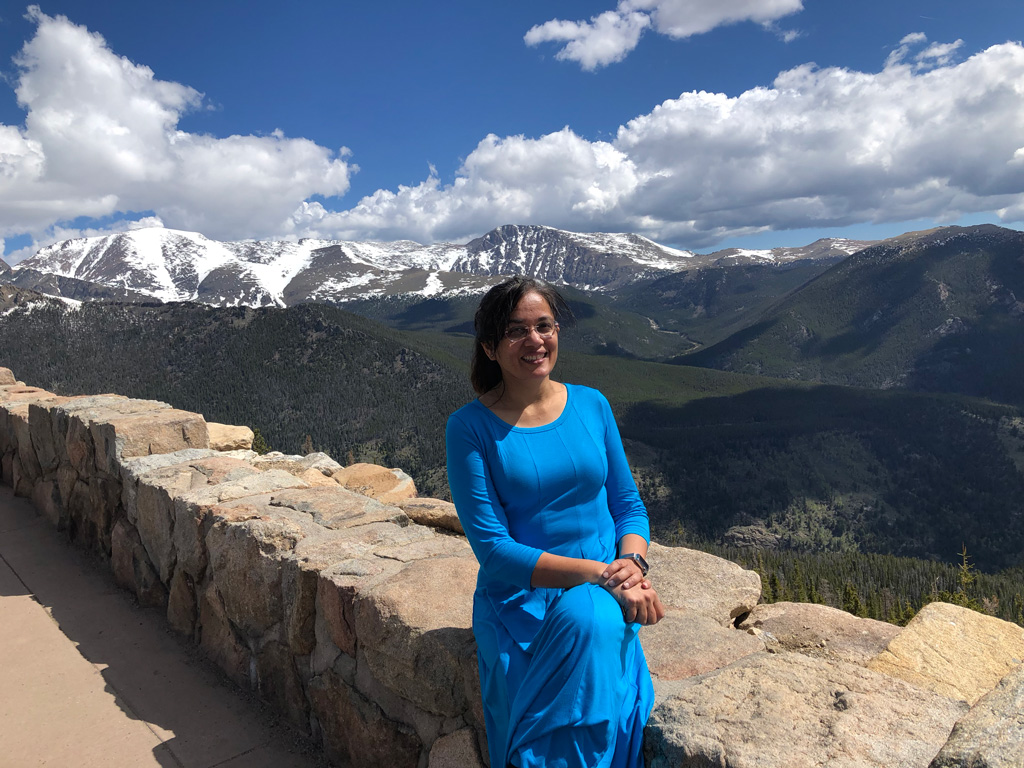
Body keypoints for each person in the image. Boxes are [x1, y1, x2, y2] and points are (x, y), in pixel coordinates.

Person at [446, 276, 665, 768]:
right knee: (589, 618)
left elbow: (627, 503)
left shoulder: (592, 404)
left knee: (590, 616)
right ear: (489, 347)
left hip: (603, 589)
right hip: (522, 601)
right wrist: (607, 576)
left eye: (544, 326)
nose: (535, 341)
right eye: (516, 331)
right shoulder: (469, 429)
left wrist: (631, 561)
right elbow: (495, 551)